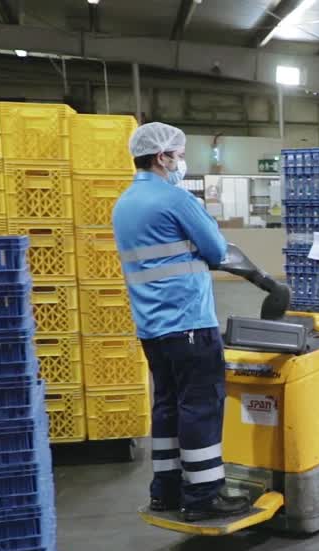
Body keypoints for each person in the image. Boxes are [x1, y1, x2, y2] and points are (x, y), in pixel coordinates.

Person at [112, 122, 250, 522]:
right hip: (189, 321)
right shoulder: (174, 199)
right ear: (162, 157)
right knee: (201, 406)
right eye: (178, 154)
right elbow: (217, 249)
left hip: (152, 327)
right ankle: (205, 495)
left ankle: (166, 491)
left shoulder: (124, 204)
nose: (181, 162)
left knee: (168, 405)